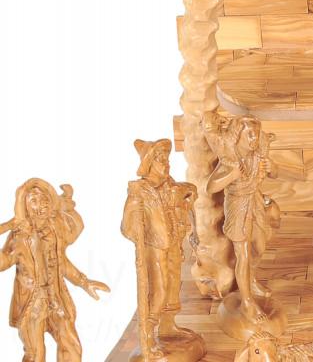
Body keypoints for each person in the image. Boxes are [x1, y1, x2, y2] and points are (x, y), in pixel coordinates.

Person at [0, 178, 109, 362]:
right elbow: (3, 263)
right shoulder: (19, 237)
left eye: (44, 199)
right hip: (32, 304)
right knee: (35, 354)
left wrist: (84, 282)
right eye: (34, 201)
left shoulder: (54, 230)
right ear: (25, 207)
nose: (41, 204)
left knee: (71, 345)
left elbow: (61, 262)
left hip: (56, 299)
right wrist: (8, 225)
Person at [122, 139, 198, 359]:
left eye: (167, 158)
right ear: (148, 164)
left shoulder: (170, 185)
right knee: (159, 290)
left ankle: (168, 326)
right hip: (154, 248)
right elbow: (127, 227)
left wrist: (188, 198)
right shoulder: (139, 193)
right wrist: (135, 220)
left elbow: (188, 192)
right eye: (160, 159)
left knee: (173, 286)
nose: (166, 163)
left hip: (172, 245)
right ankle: (147, 336)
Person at [205, 114, 276, 324]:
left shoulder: (257, 156)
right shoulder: (230, 160)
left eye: (256, 135)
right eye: (250, 135)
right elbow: (211, 187)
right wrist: (232, 175)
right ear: (238, 136)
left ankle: (250, 280)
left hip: (254, 202)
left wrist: (272, 168)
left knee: (259, 246)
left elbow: (274, 173)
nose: (254, 139)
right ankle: (247, 302)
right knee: (242, 255)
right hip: (237, 206)